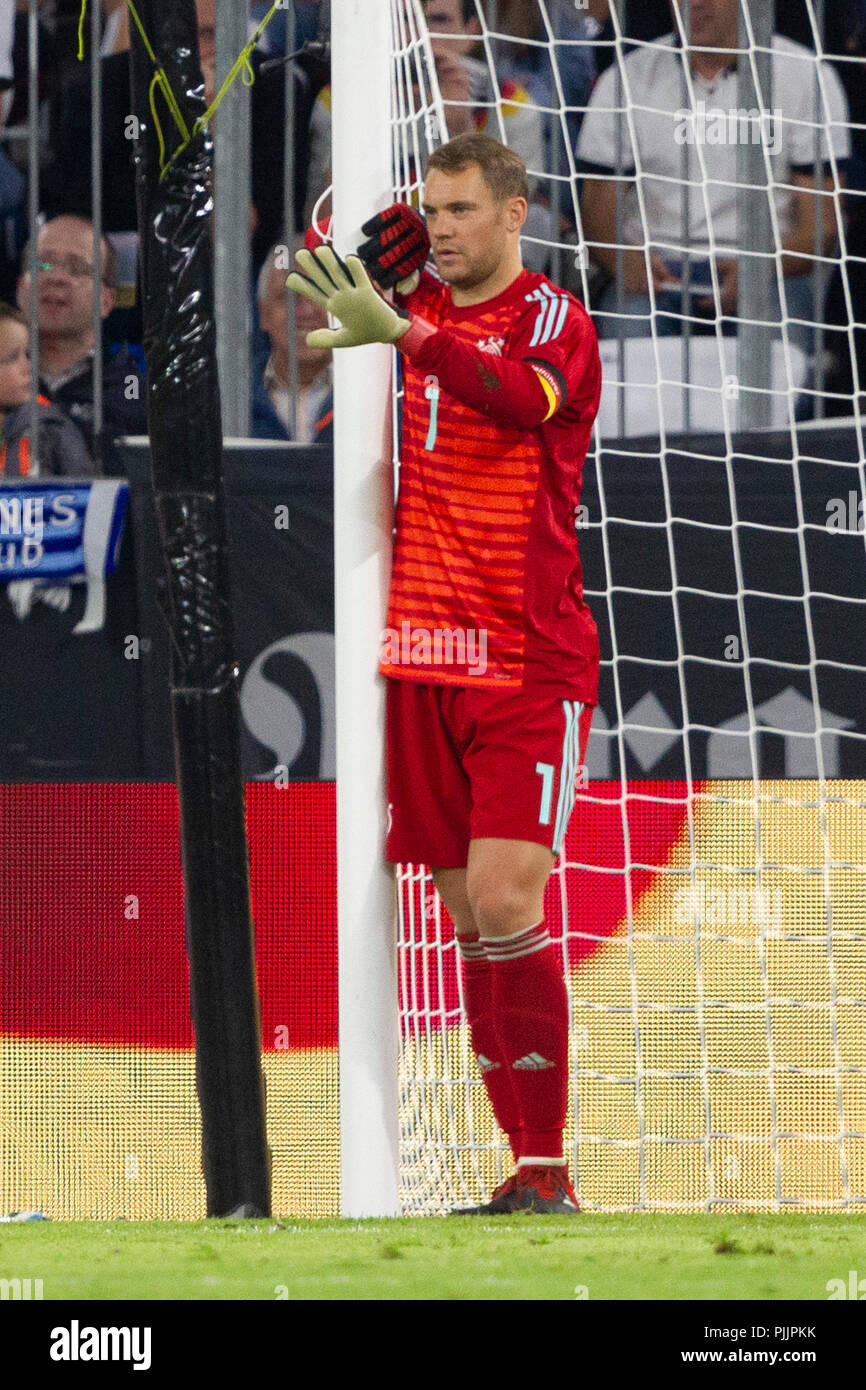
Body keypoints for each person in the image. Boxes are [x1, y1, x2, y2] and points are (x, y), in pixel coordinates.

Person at [289, 132, 602, 1215]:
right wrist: (344, 244)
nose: (447, 228)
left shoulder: (552, 319)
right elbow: (310, 262)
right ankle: (528, 1172)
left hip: (525, 655)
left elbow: (524, 402)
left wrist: (405, 333)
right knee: (469, 916)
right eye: (436, 211)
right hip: (424, 654)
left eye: (464, 210)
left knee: (513, 896)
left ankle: (551, 1168)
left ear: (513, 214)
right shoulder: (410, 290)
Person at [577, 0, 850, 352]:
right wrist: (622, 259)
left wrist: (764, 266)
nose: (694, 3)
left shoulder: (807, 75)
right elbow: (597, 205)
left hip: (772, 270)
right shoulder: (627, 77)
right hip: (657, 271)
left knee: (786, 381)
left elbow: (823, 223)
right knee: (625, 374)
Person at [16, 215, 147, 459]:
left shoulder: (134, 386)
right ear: (20, 286)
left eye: (77, 268)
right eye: (42, 264)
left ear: (107, 300)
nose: (56, 277)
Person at [253, 238, 333, 445]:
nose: (305, 311)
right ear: (263, 314)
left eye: (319, 294)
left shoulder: (375, 393)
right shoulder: (233, 398)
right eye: (287, 296)